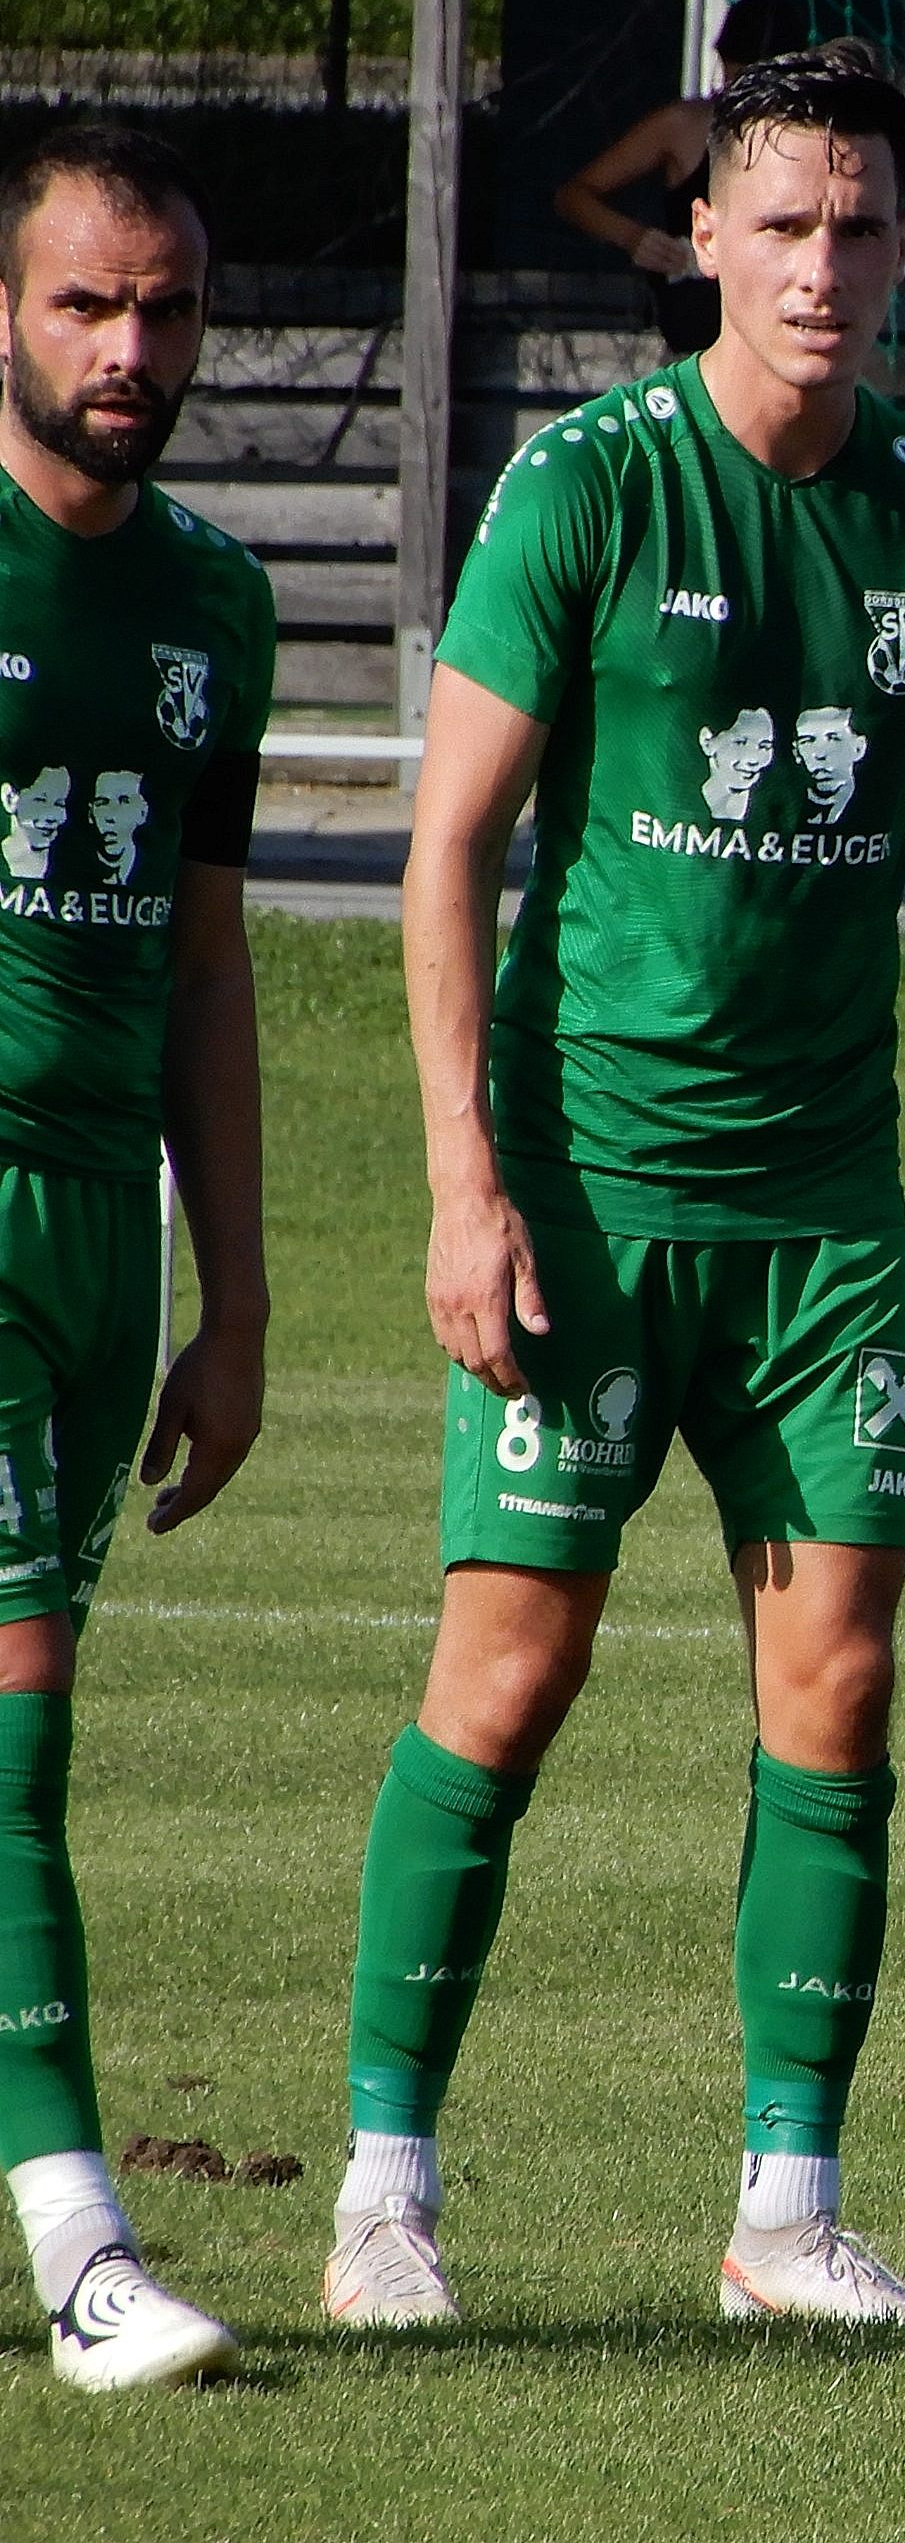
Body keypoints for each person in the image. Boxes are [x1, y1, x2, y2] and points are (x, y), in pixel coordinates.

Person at [322, 42, 905, 2334]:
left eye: (862, 226)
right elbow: (444, 855)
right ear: (705, 237)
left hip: (828, 1223)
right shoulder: (588, 494)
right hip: (590, 1193)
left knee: (836, 1674)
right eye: (785, 222)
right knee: (513, 1664)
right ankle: (382, 2184)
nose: (825, 264)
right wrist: (463, 1184)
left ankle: (788, 2209)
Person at [0, 126, 275, 2392]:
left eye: (167, 307)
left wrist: (240, 1293)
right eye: (89, 303)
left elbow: (203, 963)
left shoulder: (213, 603)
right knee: (18, 1732)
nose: (130, 347)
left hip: (104, 1239)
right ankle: (84, 2242)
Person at [551, 0, 814, 353]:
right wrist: (633, 237)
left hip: (778, 332)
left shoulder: (811, 140)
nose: (752, 101)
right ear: (724, 66)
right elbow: (573, 195)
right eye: (741, 82)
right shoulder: (686, 127)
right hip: (699, 335)